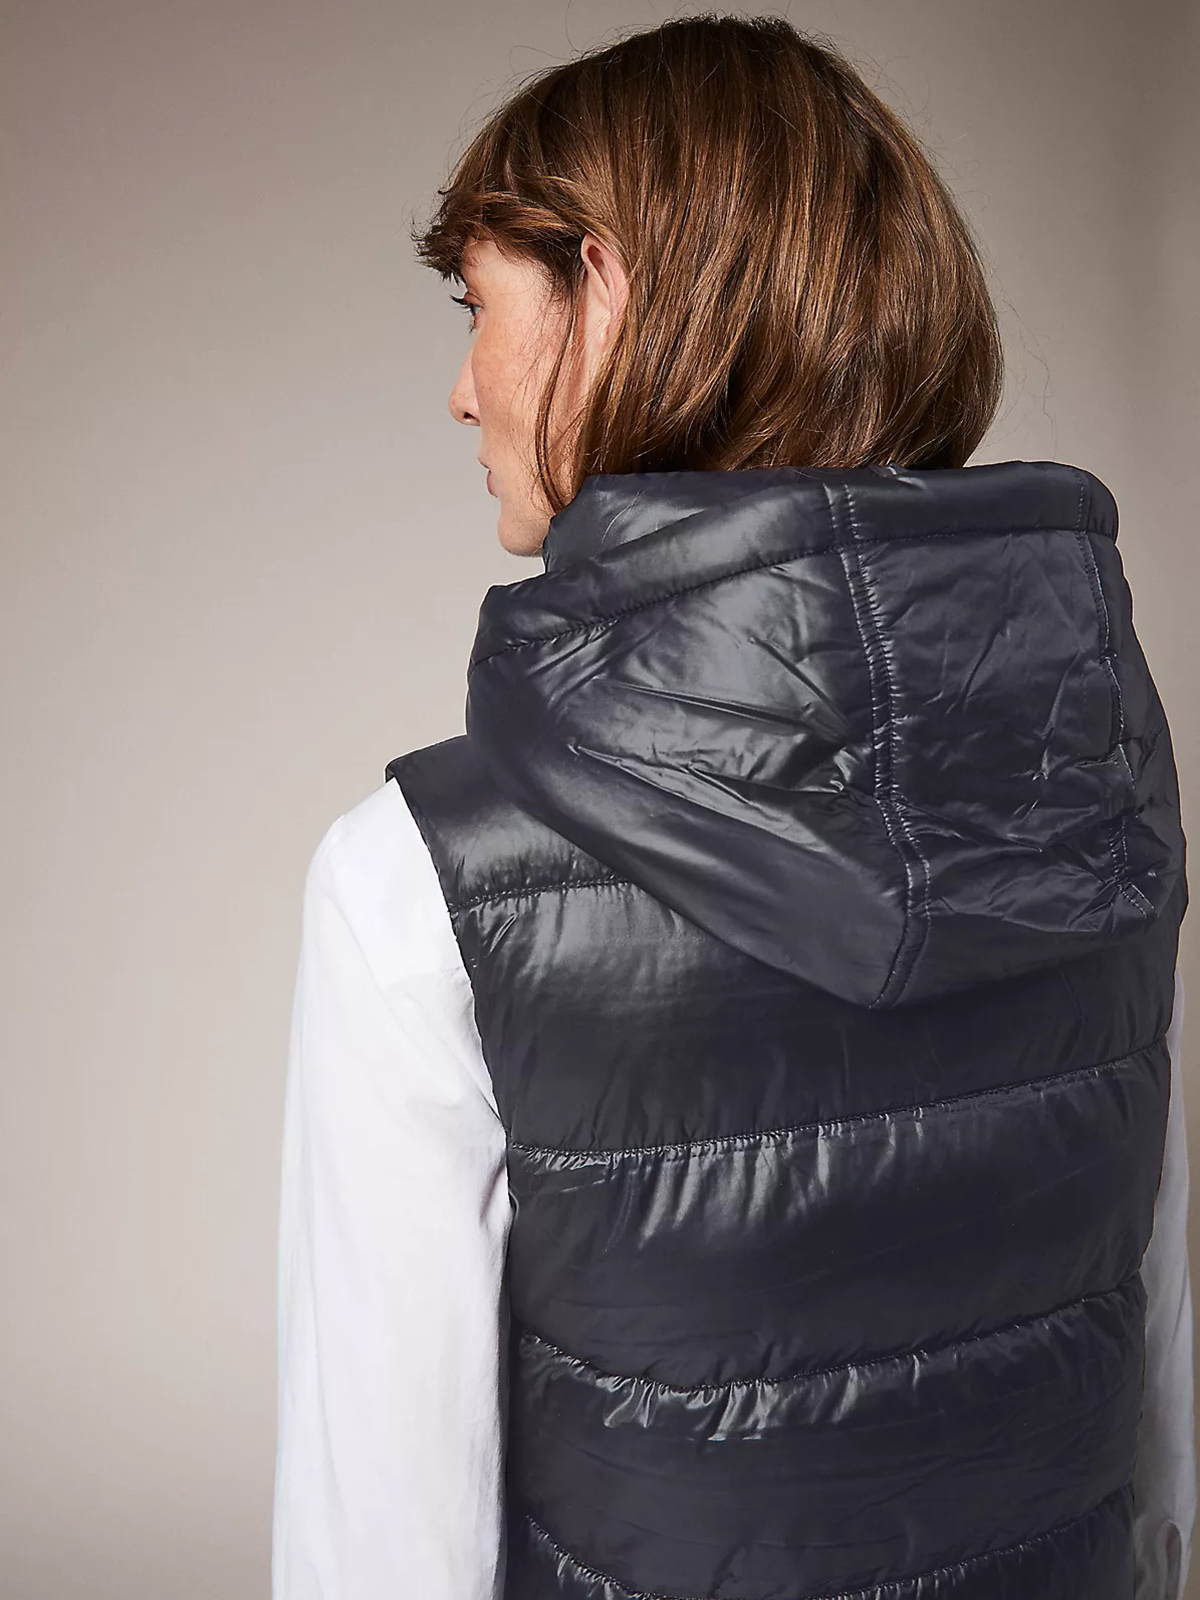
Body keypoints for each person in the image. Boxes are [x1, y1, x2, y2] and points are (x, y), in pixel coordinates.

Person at [271, 15, 1195, 1600]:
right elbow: (1154, 1395)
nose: (460, 392)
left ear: (606, 292)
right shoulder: (1099, 762)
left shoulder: (419, 883)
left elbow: (382, 1550)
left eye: (479, 309)